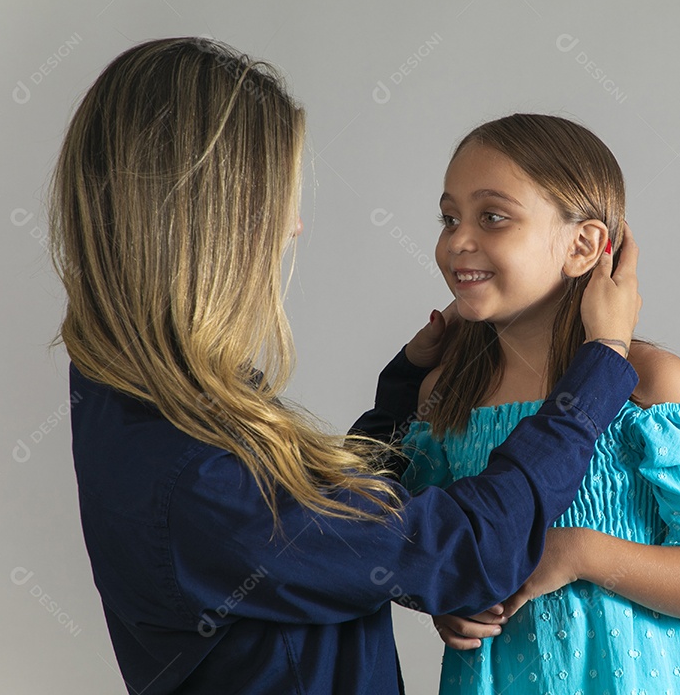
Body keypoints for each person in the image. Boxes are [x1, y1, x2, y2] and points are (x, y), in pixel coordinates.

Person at [48, 38, 642, 695]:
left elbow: (332, 533)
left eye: (493, 216)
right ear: (206, 218)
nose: (295, 225)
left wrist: (399, 396)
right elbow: (471, 548)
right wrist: (601, 369)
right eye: (278, 197)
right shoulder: (197, 474)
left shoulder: (137, 392)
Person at [398, 114, 680, 694]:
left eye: (492, 217)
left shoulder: (650, 385)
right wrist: (448, 602)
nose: (457, 240)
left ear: (583, 244)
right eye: (449, 217)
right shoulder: (445, 394)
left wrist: (580, 551)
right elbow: (421, 549)